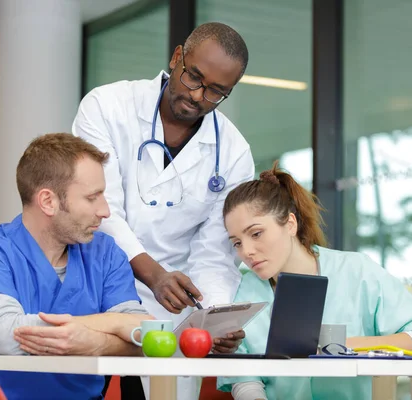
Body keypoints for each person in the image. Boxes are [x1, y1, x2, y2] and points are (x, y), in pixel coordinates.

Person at [72, 22, 254, 399]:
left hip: (173, 309)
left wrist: (216, 318)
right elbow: (99, 209)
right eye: (193, 78)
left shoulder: (234, 152)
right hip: (97, 290)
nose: (197, 96)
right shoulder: (107, 107)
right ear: (176, 58)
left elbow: (214, 253)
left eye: (216, 92)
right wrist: (153, 274)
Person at [217, 161, 412, 400]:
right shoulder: (243, 290)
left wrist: (342, 346)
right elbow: (244, 378)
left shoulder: (357, 271)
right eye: (237, 243)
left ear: (290, 224)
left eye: (256, 233)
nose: (247, 251)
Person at [0, 133, 153, 400]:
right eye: (93, 197)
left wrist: (94, 340)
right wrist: (116, 326)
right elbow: (8, 337)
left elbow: (146, 335)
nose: (105, 211)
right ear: (48, 201)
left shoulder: (105, 253)